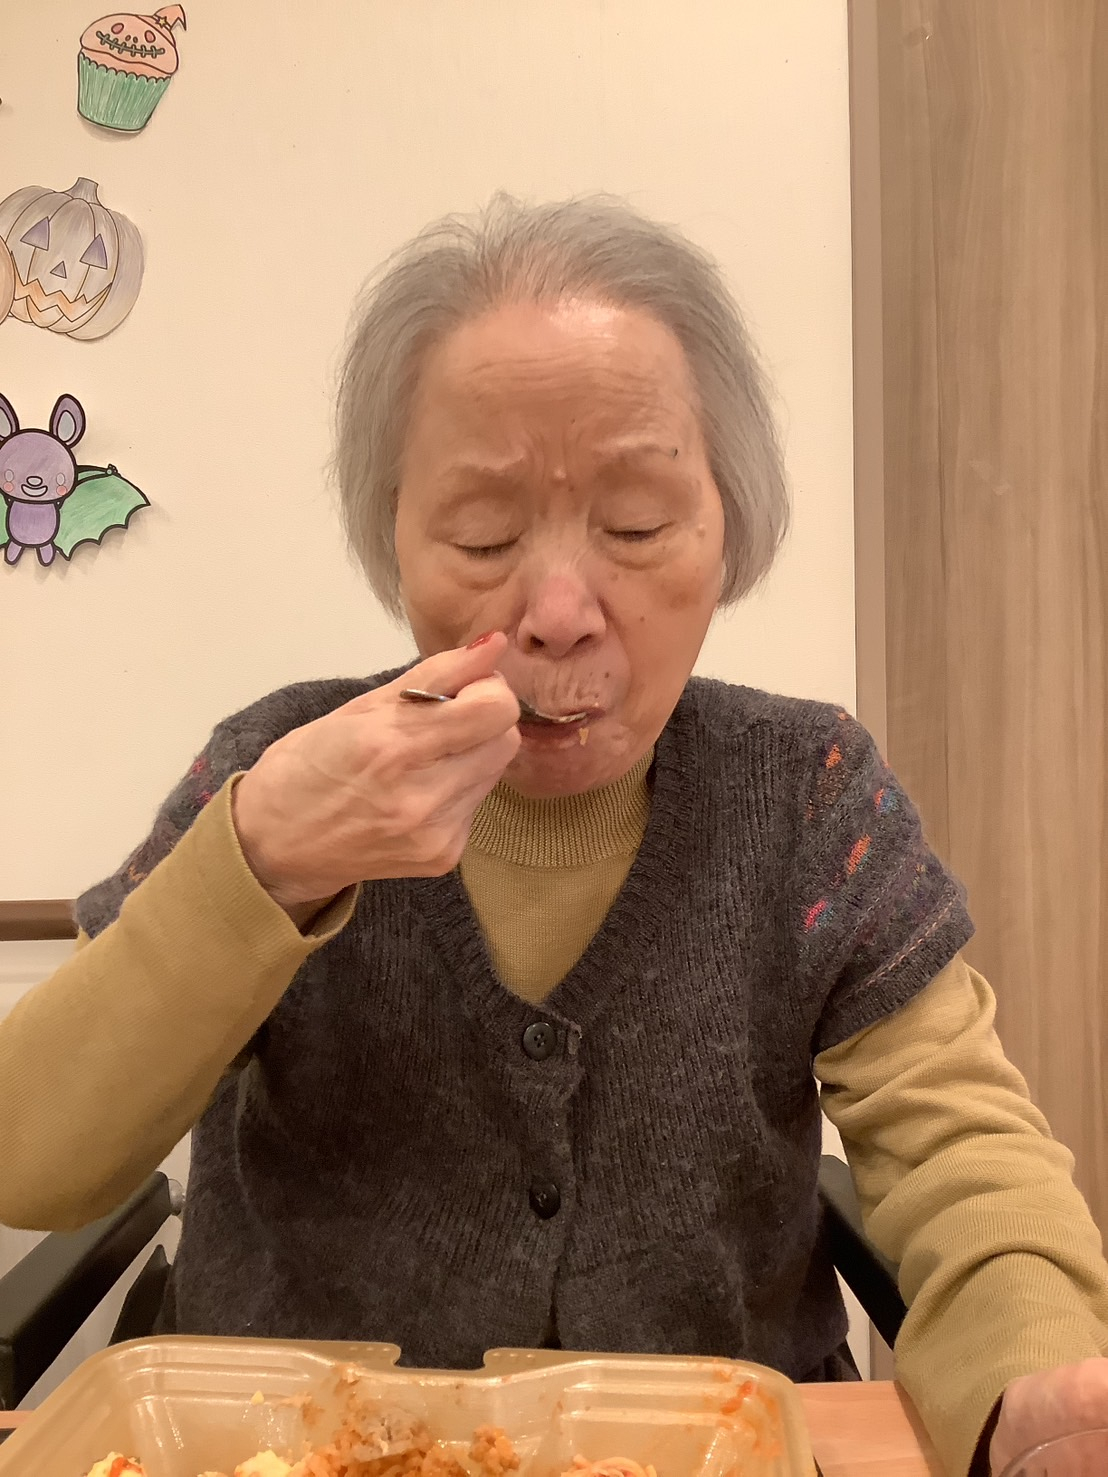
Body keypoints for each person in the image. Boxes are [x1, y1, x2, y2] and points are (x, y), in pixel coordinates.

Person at [1, 196, 1105, 1476]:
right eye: (482, 535)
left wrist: (1031, 1385)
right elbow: (35, 1161)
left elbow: (959, 1146)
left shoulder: (809, 795)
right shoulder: (275, 761)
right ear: (394, 537)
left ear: (729, 528)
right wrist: (260, 861)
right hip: (297, 1450)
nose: (560, 610)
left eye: (636, 526)